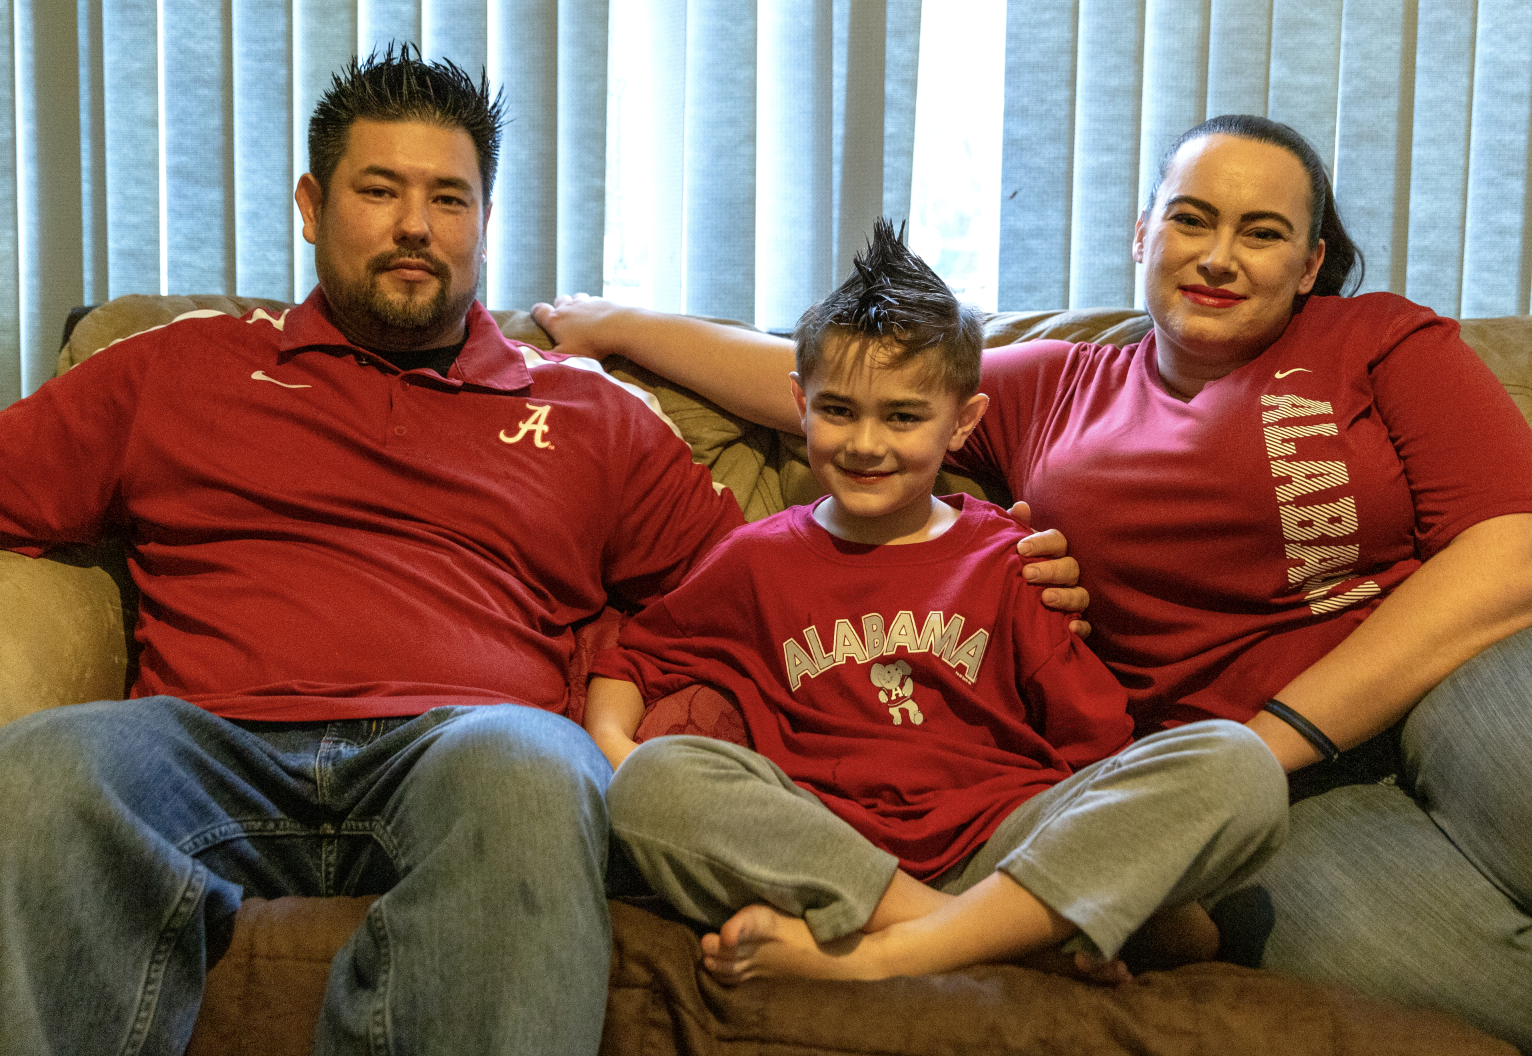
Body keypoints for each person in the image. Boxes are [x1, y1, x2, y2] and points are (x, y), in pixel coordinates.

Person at [531, 115, 1532, 1047]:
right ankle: (985, 925)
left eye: (1260, 231)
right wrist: (622, 323)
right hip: (1264, 795)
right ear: (1141, 235)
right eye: (1190, 218)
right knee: (1450, 989)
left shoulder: (1379, 342)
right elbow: (839, 385)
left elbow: (1509, 551)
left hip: (1447, 688)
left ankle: (909, 945)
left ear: (1309, 263)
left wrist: (1279, 732)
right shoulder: (1054, 387)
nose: (1218, 254)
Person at [0, 49, 755, 1056]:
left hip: (464, 748)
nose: (414, 223)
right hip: (208, 747)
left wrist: (995, 558)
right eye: (380, 189)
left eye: (449, 197)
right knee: (44, 765)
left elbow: (767, 586)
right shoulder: (180, 366)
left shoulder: (586, 413)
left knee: (536, 765)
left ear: (483, 223)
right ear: (313, 205)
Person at [582, 219, 1288, 986]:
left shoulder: (1011, 560)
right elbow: (635, 659)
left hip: (1005, 843)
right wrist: (617, 755)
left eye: (904, 416)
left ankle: (892, 952)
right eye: (839, 410)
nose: (866, 443)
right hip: (830, 849)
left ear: (964, 422)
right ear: (800, 404)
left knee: (1239, 765)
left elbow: (1094, 744)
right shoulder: (756, 560)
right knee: (657, 784)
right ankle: (1000, 936)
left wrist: (1120, 839)